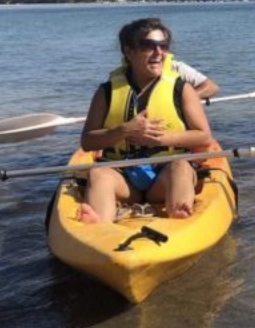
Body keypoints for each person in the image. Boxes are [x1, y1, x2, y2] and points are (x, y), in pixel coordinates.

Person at [77, 17, 213, 224]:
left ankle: (179, 214)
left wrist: (161, 140)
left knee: (181, 166)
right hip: (123, 178)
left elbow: (204, 137)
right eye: (148, 46)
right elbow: (87, 141)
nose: (158, 52)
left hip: (164, 176)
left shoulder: (182, 89)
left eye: (163, 46)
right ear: (129, 52)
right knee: (98, 174)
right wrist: (123, 130)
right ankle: (99, 228)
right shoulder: (106, 92)